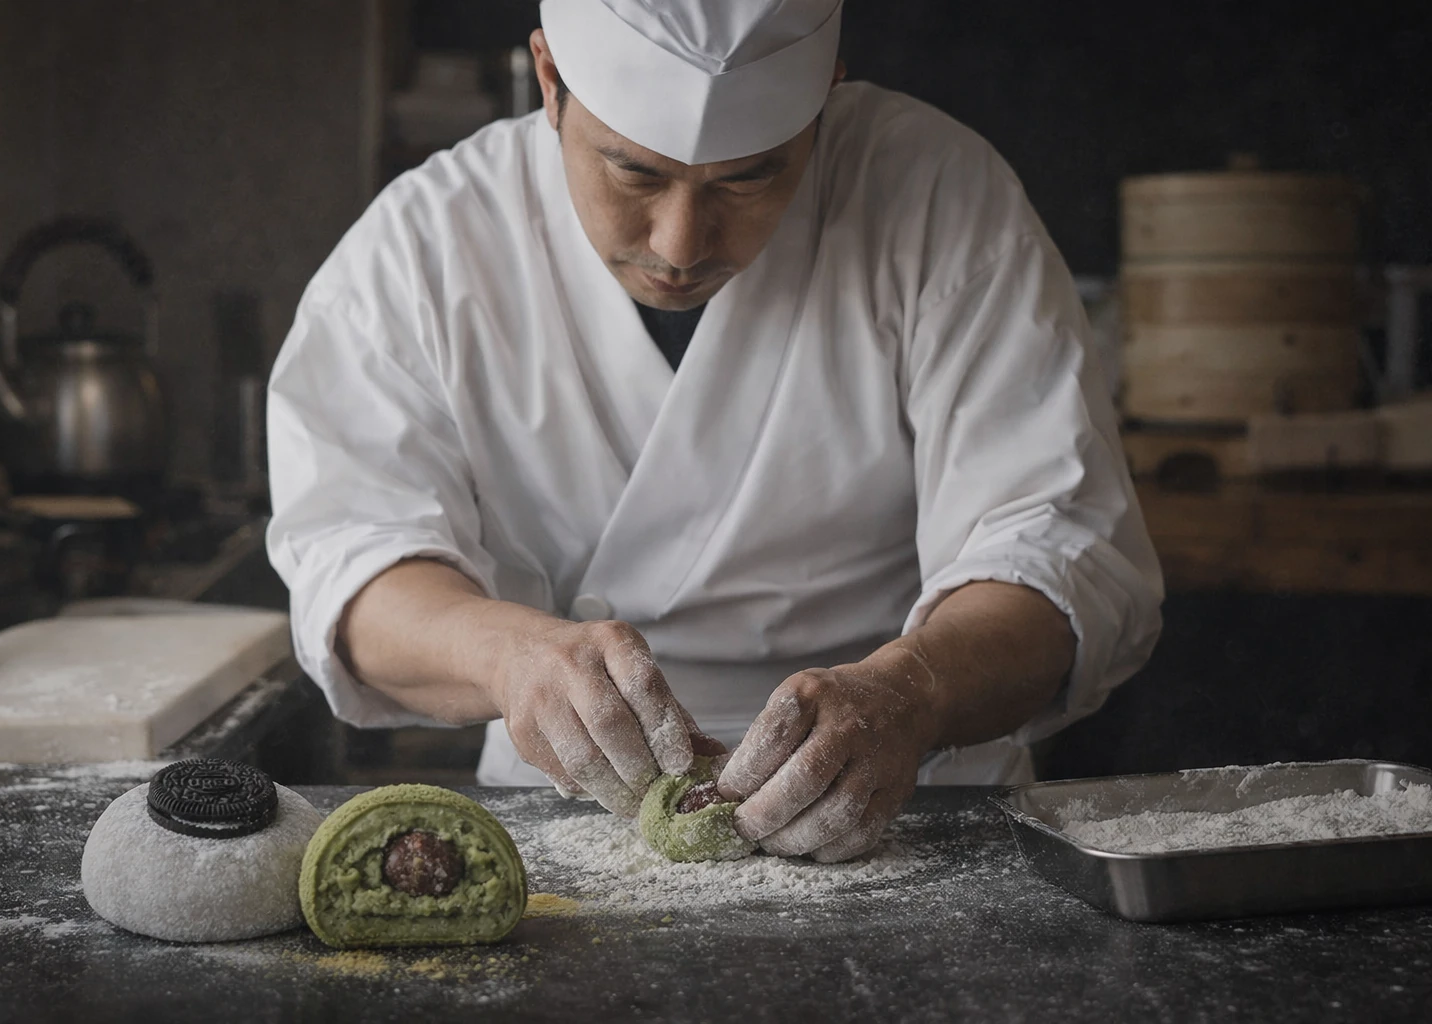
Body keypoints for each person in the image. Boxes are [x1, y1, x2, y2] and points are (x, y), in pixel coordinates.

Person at [266, 0, 1163, 863]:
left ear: (828, 95)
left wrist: (909, 695)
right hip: (566, 816)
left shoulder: (939, 198)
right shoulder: (425, 246)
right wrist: (510, 657)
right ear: (550, 80)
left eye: (750, 175)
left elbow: (1061, 551)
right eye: (634, 172)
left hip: (915, 807)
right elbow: (354, 559)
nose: (681, 242)